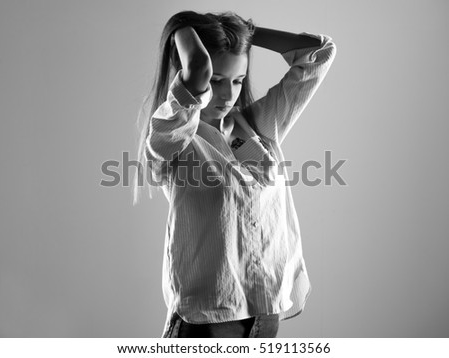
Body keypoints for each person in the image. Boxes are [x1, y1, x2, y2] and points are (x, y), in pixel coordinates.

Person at [133, 10, 336, 338]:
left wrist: (245, 33)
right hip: (206, 321)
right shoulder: (173, 137)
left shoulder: (259, 125)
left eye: (238, 80)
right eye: (216, 81)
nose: (228, 95)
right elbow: (197, 68)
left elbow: (319, 54)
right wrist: (182, 29)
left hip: (265, 314)